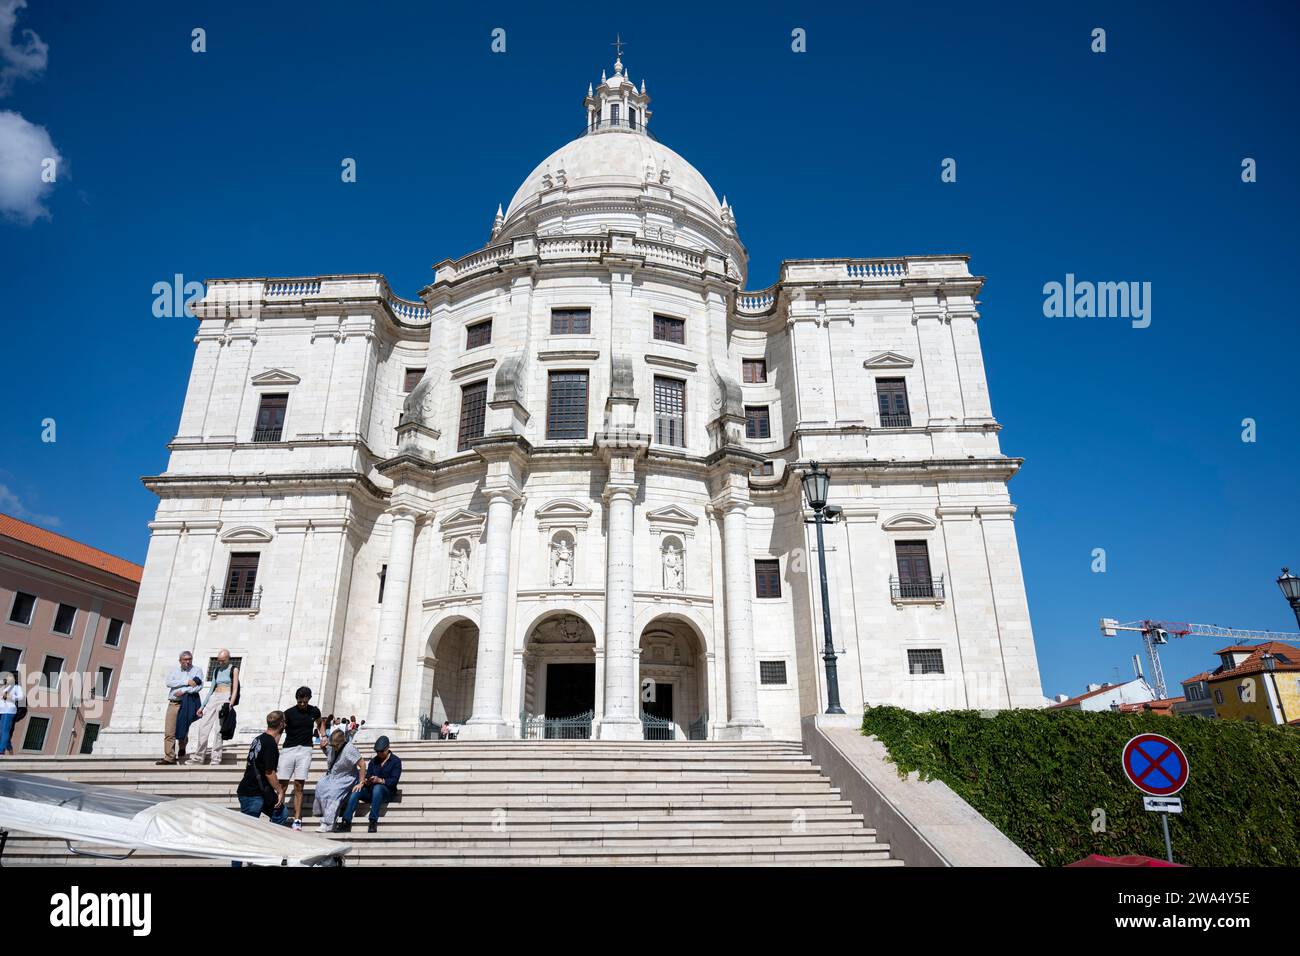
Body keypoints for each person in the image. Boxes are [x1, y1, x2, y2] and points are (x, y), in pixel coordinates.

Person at [277, 686, 322, 829]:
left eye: (305, 701)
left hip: (305, 749)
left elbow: (320, 722)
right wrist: (273, 744)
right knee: (282, 784)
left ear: (309, 699)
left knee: (299, 785)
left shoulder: (314, 711)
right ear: (297, 699)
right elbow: (280, 730)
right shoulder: (288, 713)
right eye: (300, 701)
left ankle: (297, 819)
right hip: (289, 749)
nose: (302, 704)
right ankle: (278, 815)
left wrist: (323, 736)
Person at [338, 735, 402, 833]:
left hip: (387, 792)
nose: (379, 754)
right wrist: (366, 781)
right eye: (377, 751)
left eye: (381, 751)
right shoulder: (374, 761)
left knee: (378, 788)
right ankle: (346, 821)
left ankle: (373, 821)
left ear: (388, 748)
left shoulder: (396, 761)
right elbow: (368, 775)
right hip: (372, 791)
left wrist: (380, 780)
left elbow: (394, 780)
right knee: (356, 791)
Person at [235, 710, 289, 825]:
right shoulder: (270, 744)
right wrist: (280, 790)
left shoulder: (259, 739)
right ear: (281, 724)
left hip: (258, 790)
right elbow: (269, 772)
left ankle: (268, 838)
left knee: (281, 813)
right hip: (253, 792)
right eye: (284, 722)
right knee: (248, 826)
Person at [189, 649, 240, 766]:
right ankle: (199, 757)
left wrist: (230, 704)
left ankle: (216, 758)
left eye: (223, 660)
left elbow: (235, 688)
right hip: (214, 697)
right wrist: (202, 706)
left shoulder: (234, 669)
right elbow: (211, 689)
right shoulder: (216, 670)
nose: (220, 663)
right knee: (203, 727)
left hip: (225, 698)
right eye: (218, 660)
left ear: (228, 659)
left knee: (219, 730)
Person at [312, 729, 365, 833]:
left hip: (346, 777)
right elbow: (331, 757)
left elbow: (362, 764)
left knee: (333, 793)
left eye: (335, 745)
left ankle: (328, 823)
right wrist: (323, 748)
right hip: (333, 776)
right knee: (320, 786)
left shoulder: (350, 749)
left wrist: (361, 782)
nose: (333, 747)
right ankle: (322, 813)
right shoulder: (332, 746)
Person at [158, 650, 203, 765]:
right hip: (174, 703)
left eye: (190, 659)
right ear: (180, 661)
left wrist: (183, 690)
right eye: (185, 660)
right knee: (169, 731)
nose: (188, 662)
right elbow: (169, 683)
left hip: (187, 703)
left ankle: (182, 745)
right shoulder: (175, 671)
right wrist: (187, 682)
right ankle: (169, 757)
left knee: (183, 729)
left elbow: (198, 686)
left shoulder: (197, 670)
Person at [0, 672, 24, 756]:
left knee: (5, 730)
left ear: (14, 678)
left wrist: (11, 697)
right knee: (0, 731)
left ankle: (1, 751)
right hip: (1, 710)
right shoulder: (5, 687)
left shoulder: (17, 687)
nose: (7, 678)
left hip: (9, 710)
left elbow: (21, 696)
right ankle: (9, 748)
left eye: (10, 676)